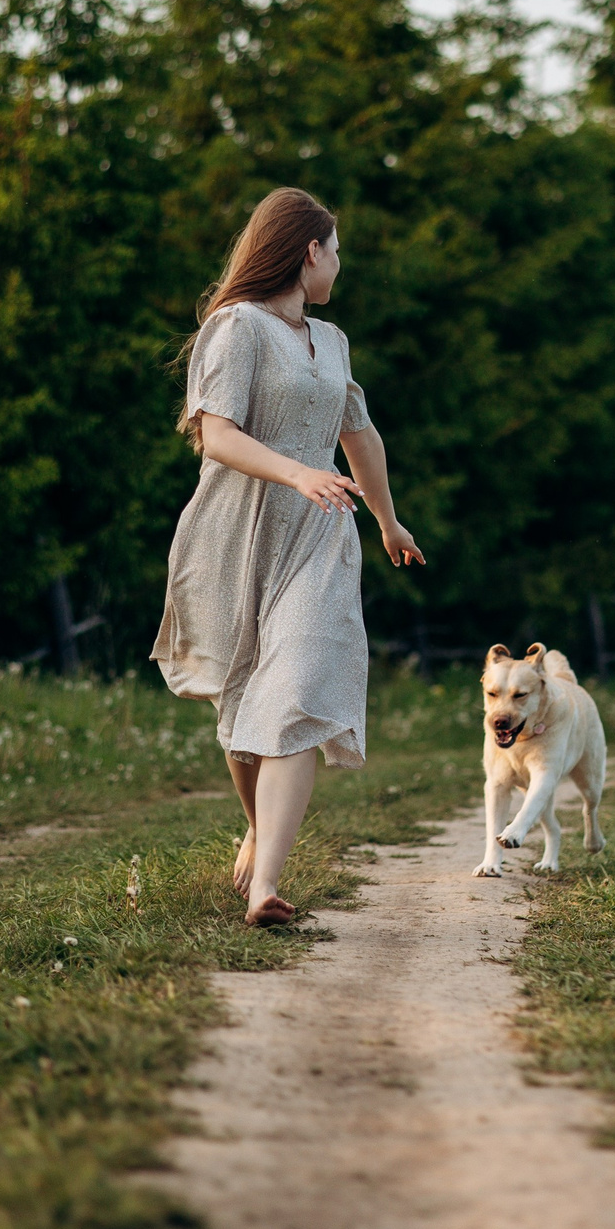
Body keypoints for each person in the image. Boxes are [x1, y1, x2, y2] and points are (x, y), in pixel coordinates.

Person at [151, 188, 425, 927]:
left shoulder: (331, 342)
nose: (339, 266)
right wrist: (297, 470)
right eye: (336, 251)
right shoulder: (235, 327)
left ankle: (267, 885)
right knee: (245, 706)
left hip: (318, 538)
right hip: (235, 531)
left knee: (298, 691)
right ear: (310, 251)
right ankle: (259, 831)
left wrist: (389, 521)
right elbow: (216, 435)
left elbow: (359, 436)